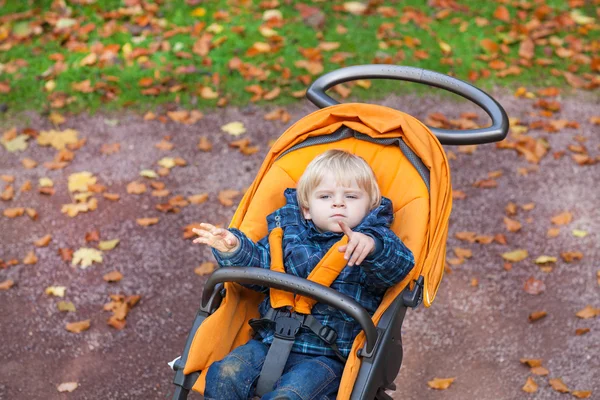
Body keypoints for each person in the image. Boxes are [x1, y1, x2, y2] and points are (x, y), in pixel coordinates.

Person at [193, 149, 415, 400]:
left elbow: (397, 270)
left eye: (351, 196)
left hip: (325, 357)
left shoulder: (371, 242)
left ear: (369, 206)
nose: (338, 203)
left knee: (290, 396)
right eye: (325, 196)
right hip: (268, 341)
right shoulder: (287, 235)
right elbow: (259, 269)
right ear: (307, 209)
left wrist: (373, 249)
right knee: (224, 374)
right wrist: (235, 249)